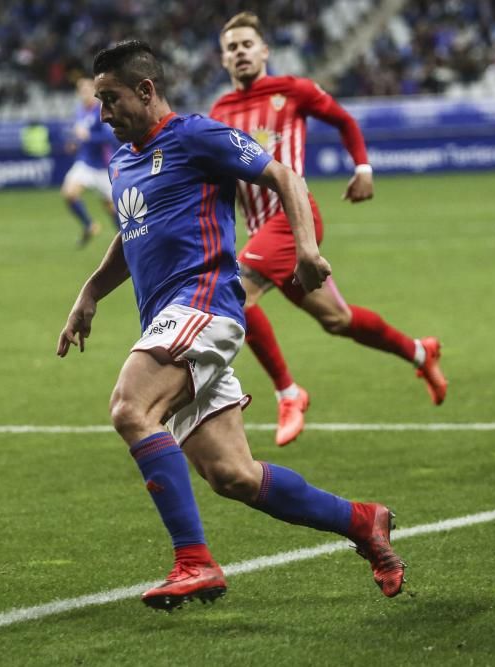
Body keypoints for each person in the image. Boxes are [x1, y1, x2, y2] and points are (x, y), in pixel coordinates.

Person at [58, 40, 406, 611]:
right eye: (98, 101)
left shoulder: (196, 135)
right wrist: (89, 293)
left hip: (204, 306)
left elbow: (284, 177)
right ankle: (365, 522)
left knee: (130, 408)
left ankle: (193, 561)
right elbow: (131, 231)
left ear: (146, 90)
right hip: (172, 319)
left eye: (111, 98)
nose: (103, 113)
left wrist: (307, 249)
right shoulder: (122, 162)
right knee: (234, 476)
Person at [210, 12, 447, 447]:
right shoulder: (220, 111)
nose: (240, 52)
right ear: (223, 59)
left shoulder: (292, 90)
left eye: (247, 44)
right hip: (261, 233)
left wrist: (363, 167)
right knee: (338, 320)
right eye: (231, 47)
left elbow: (343, 120)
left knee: (235, 296)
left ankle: (288, 392)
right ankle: (420, 351)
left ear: (264, 51)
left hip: (294, 218)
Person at [61, 77, 118, 247]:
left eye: (87, 89)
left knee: (113, 208)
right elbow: (81, 135)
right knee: (69, 193)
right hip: (85, 163)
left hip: (103, 167)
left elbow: (111, 138)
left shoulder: (102, 111)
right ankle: (89, 225)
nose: (84, 93)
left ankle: (125, 241)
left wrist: (89, 137)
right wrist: (75, 143)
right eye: (81, 90)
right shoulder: (80, 110)